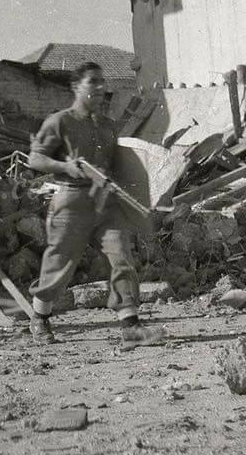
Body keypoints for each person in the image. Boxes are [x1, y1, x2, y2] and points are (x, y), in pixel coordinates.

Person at [25, 62, 165, 345]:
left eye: (102, 81)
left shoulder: (108, 126)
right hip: (71, 201)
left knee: (121, 257)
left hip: (105, 203)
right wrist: (65, 166)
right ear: (76, 87)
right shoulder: (59, 121)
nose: (101, 87)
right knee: (59, 263)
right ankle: (39, 318)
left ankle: (130, 326)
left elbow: (120, 166)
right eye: (93, 82)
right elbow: (35, 159)